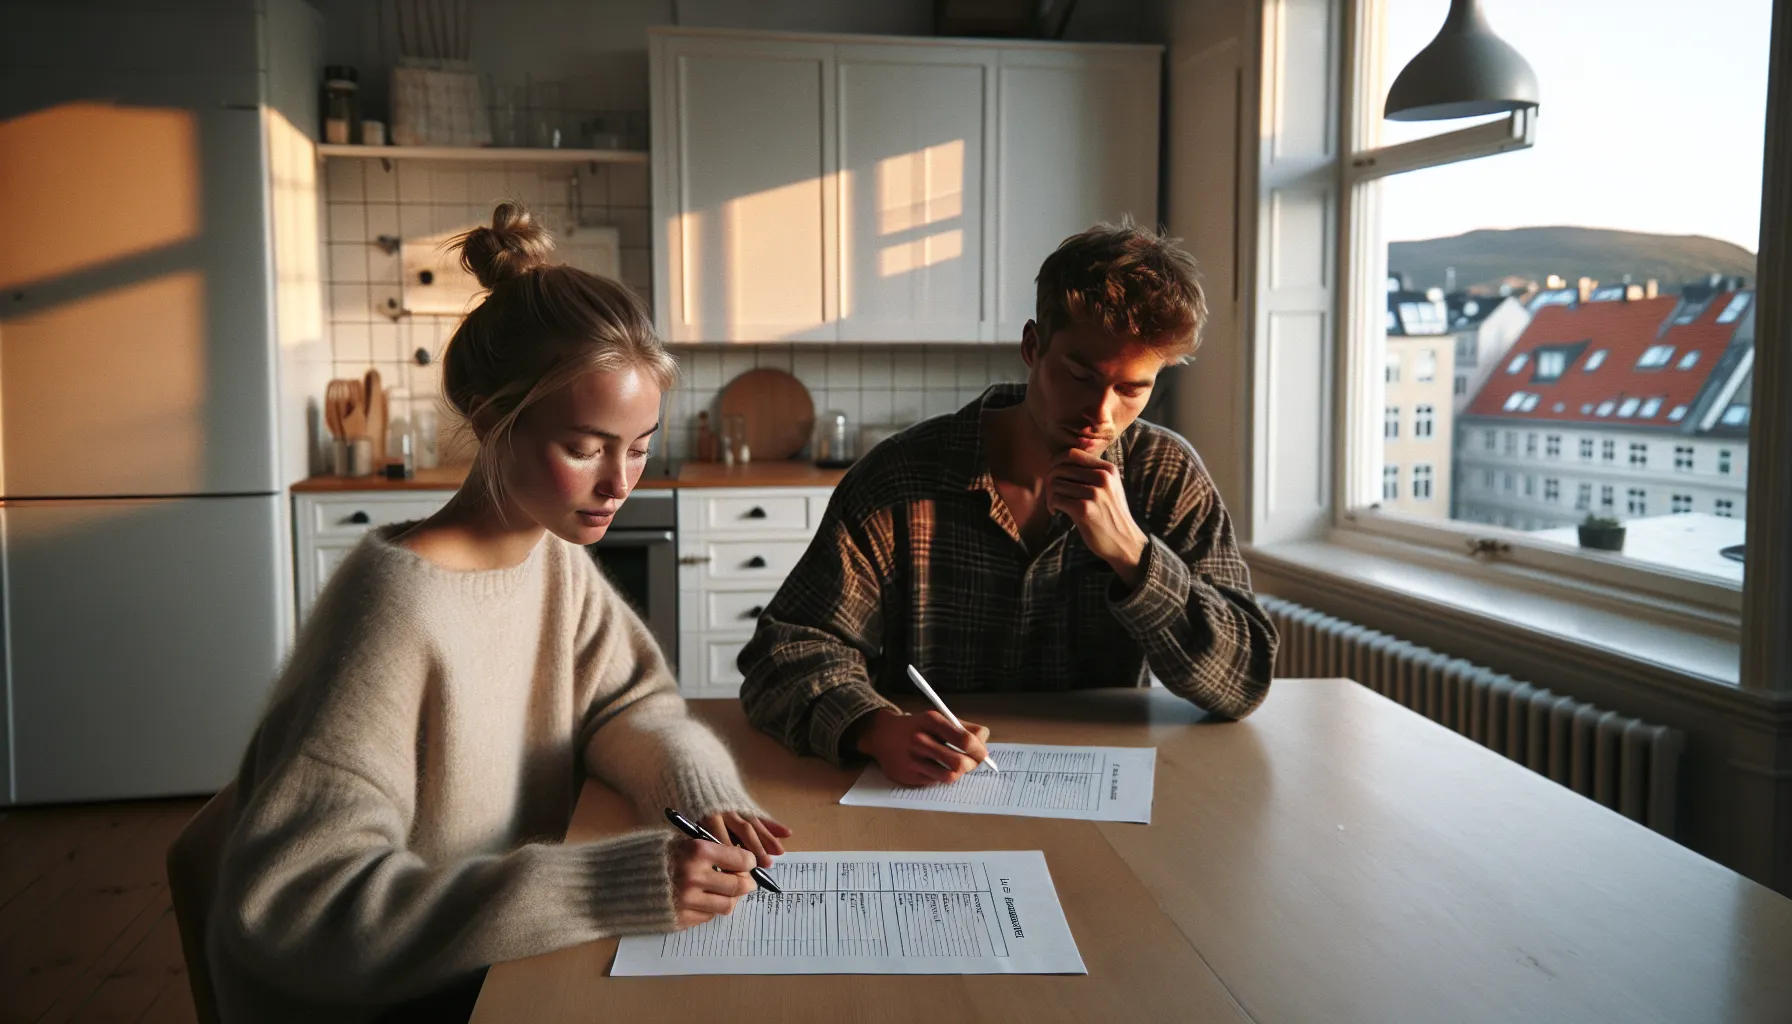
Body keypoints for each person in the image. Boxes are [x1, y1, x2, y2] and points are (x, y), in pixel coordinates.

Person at [201, 203, 788, 1023]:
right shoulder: (395, 611)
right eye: (585, 447)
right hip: (399, 997)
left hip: (498, 963)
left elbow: (630, 704)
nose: (621, 482)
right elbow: (299, 908)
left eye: (641, 443)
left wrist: (695, 790)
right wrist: (611, 882)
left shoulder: (551, 559)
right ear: (489, 419)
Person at [738, 221, 1278, 786]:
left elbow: (1244, 681)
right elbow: (783, 654)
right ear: (1031, 346)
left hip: (1101, 797)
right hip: (928, 794)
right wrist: (871, 726)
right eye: (1079, 375)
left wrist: (1134, 556)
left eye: (1131, 389)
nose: (1100, 412)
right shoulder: (900, 477)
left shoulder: (1167, 475)